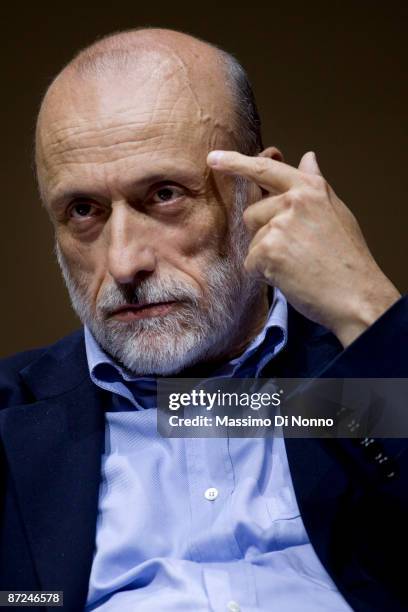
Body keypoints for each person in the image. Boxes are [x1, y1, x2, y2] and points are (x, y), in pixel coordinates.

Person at [0, 28, 407, 612]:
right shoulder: (10, 417)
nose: (123, 263)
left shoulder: (364, 377)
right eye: (82, 210)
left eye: (164, 194)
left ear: (258, 190)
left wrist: (368, 310)